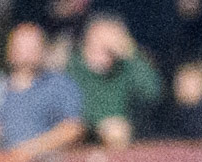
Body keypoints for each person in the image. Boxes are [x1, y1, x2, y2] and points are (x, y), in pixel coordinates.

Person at [0, 23, 85, 154]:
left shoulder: (59, 85)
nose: (25, 52)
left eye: (32, 46)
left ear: (43, 50)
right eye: (20, 46)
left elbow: (73, 129)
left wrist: (29, 150)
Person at [68, 14, 164, 147]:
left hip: (124, 140)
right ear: (89, 38)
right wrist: (100, 125)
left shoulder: (125, 67)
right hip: (82, 142)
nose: (108, 45)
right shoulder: (71, 68)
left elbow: (152, 93)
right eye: (102, 38)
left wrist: (131, 54)